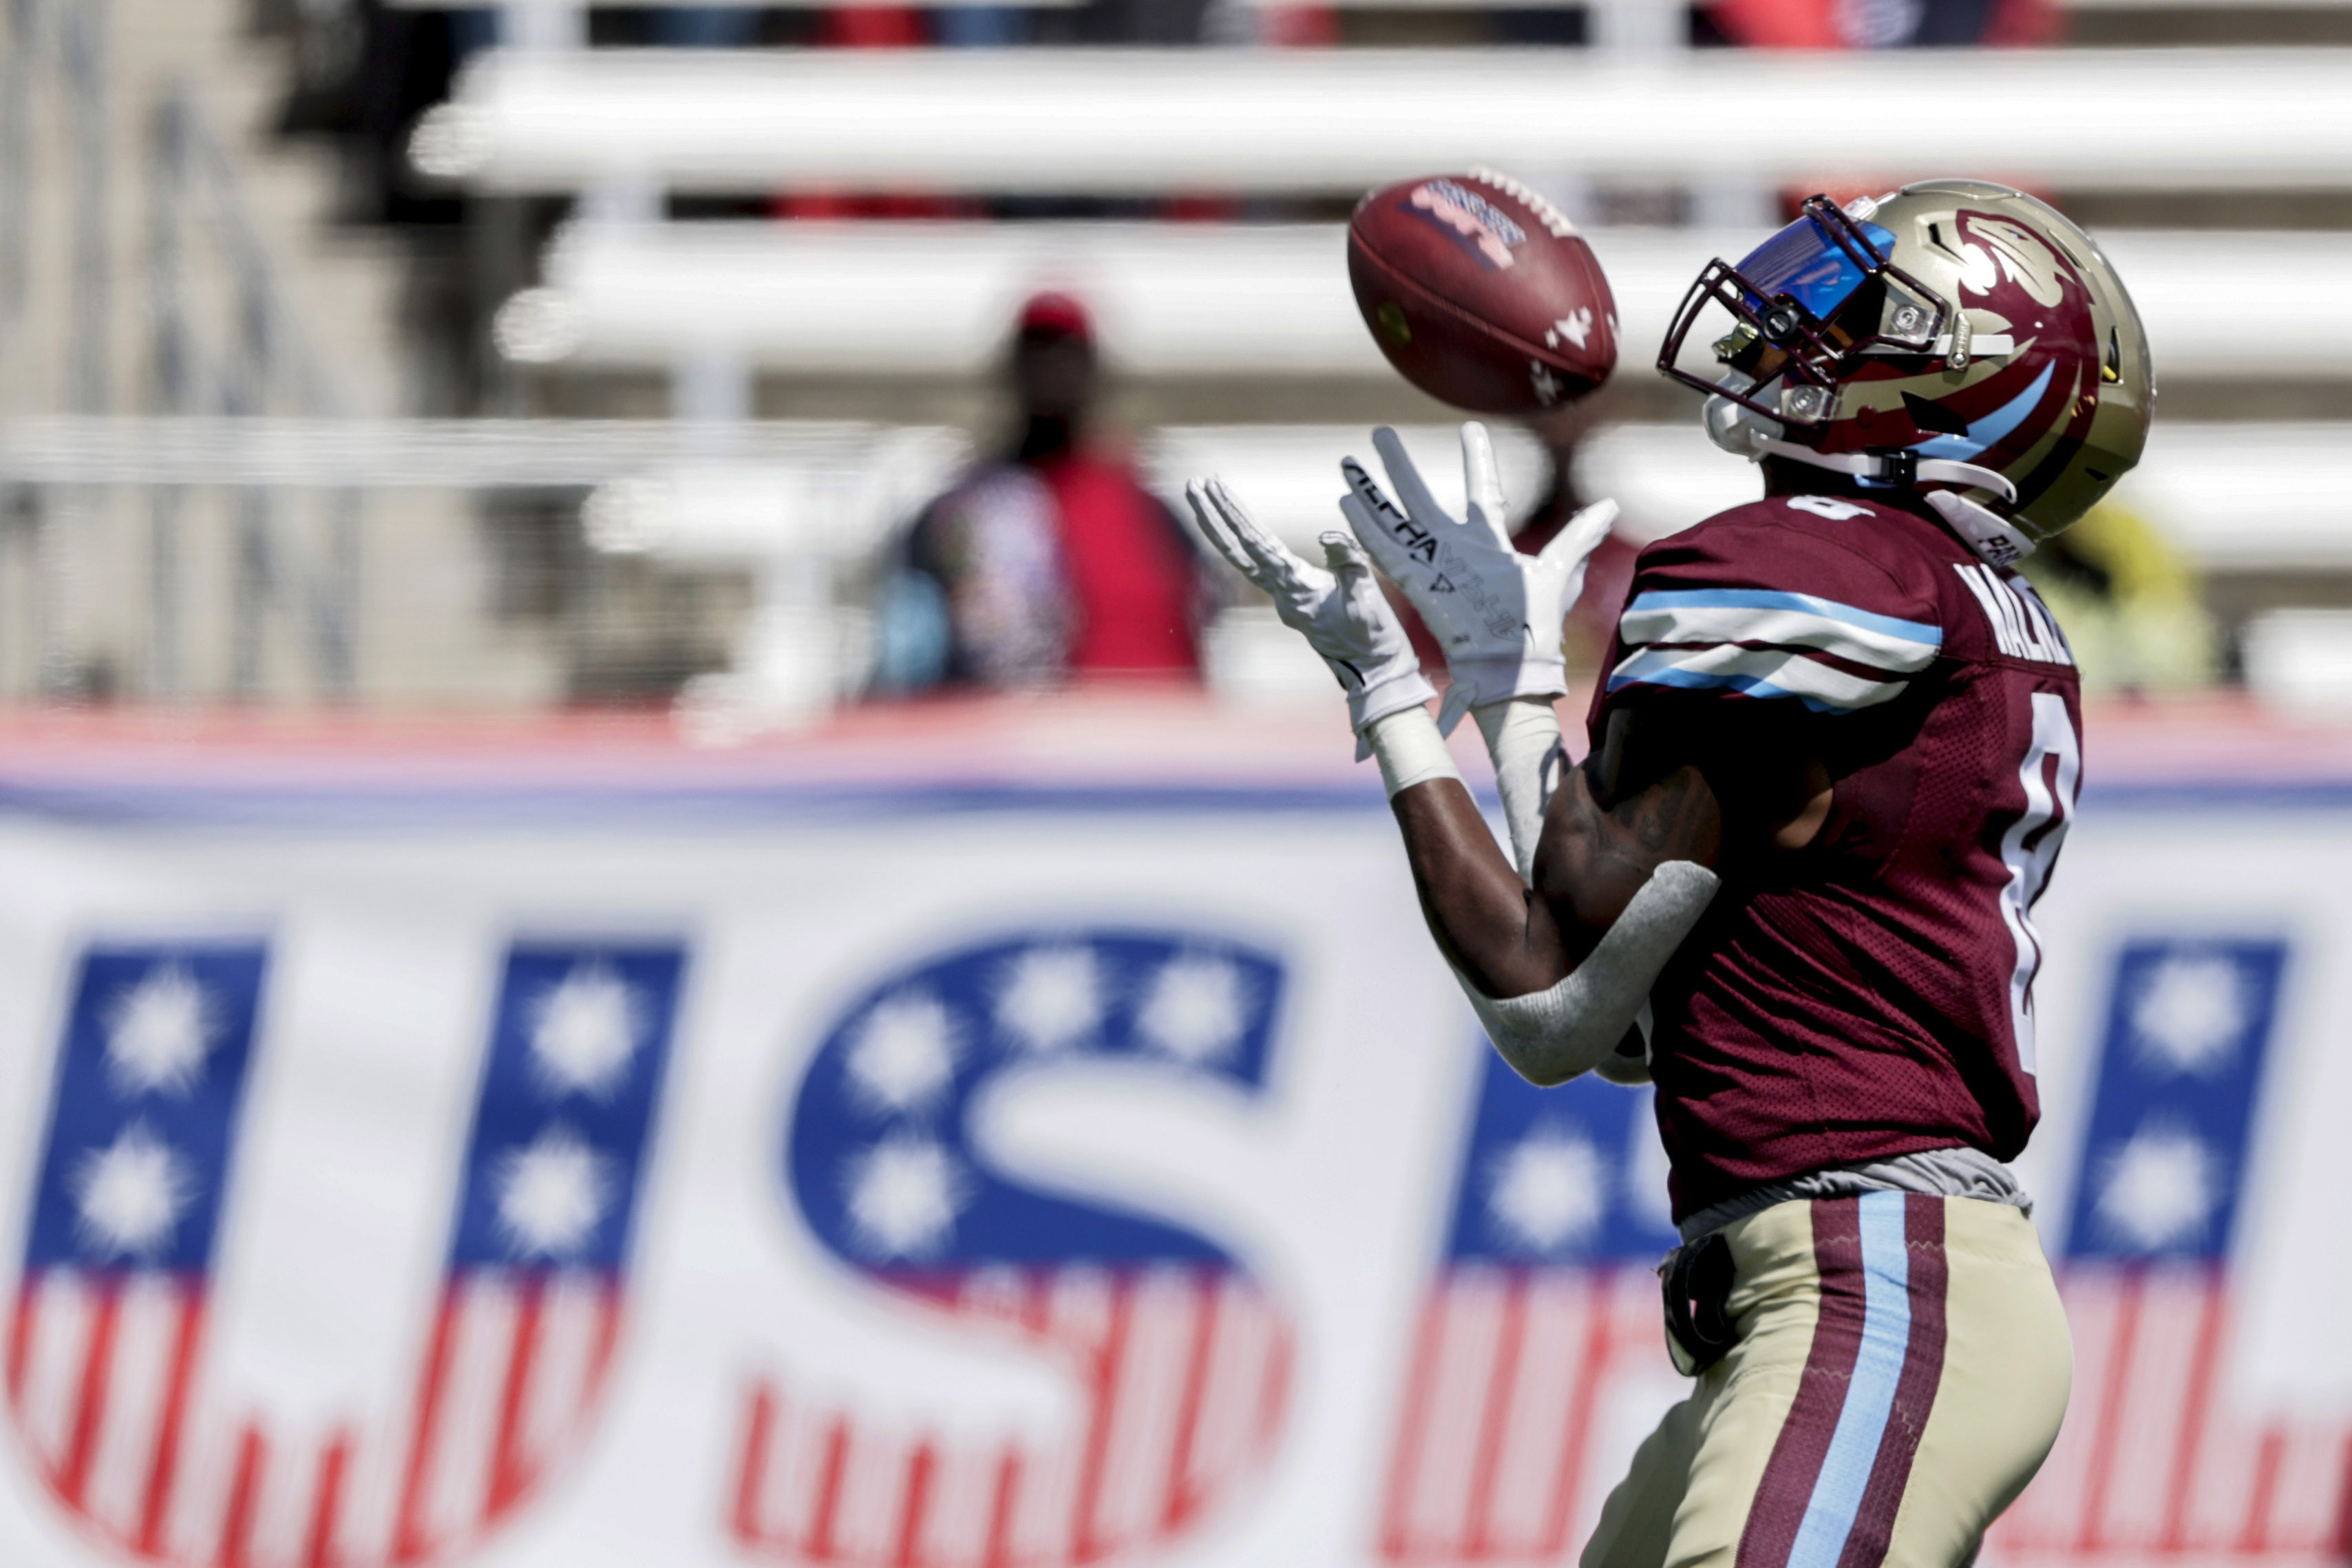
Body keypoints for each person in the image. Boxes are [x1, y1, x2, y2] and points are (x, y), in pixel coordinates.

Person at [1187, 180, 2152, 1565]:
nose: (1795, 322)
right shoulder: (1935, 594)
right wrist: (1518, 691)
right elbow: (1626, 1006)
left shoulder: (1813, 569)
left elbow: (1545, 1002)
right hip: (1836, 1288)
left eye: (1854, 310)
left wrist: (1391, 697)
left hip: (1873, 1282)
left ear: (1951, 377)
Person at [873, 291, 1213, 694]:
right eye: (1036, 353)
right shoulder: (959, 511)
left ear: (1092, 368)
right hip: (1013, 744)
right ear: (1012, 369)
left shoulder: (1149, 509)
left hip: (1142, 734)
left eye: (1065, 352)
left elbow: (1196, 636)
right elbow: (909, 659)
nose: (1050, 368)